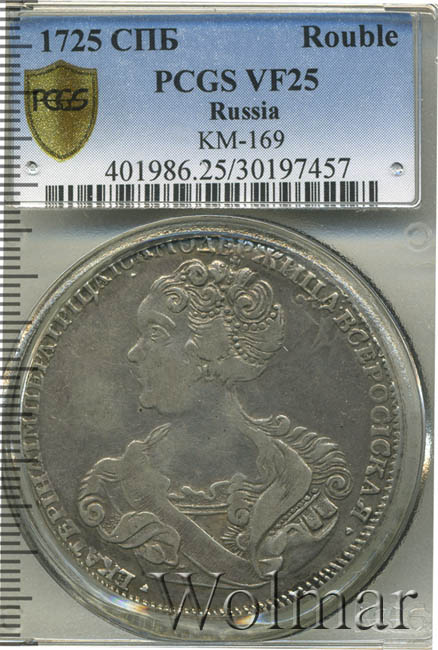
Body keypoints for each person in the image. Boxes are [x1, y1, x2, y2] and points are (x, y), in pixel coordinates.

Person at [78, 258, 353, 585]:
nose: (134, 353)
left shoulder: (299, 478)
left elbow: (257, 576)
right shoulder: (114, 478)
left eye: (155, 333)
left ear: (208, 352)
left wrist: (157, 506)